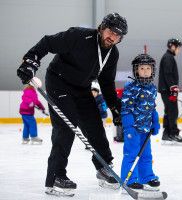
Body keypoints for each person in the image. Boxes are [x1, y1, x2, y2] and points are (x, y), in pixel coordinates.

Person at [17, 13, 128, 196]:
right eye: (110, 31)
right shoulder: (78, 36)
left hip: (82, 87)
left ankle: (104, 167)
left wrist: (114, 107)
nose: (113, 37)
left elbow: (107, 83)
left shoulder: (112, 53)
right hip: (58, 81)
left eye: (118, 35)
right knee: (66, 126)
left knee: (94, 125)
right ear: (102, 27)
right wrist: (30, 62)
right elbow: (47, 43)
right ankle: (56, 177)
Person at [121, 54, 160, 191]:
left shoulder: (152, 88)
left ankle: (146, 177)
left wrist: (155, 122)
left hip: (145, 129)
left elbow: (152, 107)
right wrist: (129, 127)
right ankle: (129, 179)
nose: (145, 71)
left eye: (148, 68)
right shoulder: (131, 88)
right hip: (133, 129)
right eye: (141, 68)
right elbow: (126, 109)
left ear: (152, 70)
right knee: (131, 154)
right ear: (136, 70)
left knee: (146, 154)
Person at [158, 38, 182, 143]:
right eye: (178, 48)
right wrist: (173, 89)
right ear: (172, 46)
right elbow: (168, 74)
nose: (179, 50)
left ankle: (166, 134)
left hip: (167, 89)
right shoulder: (168, 58)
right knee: (173, 111)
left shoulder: (168, 57)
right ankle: (173, 134)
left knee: (169, 111)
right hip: (168, 90)